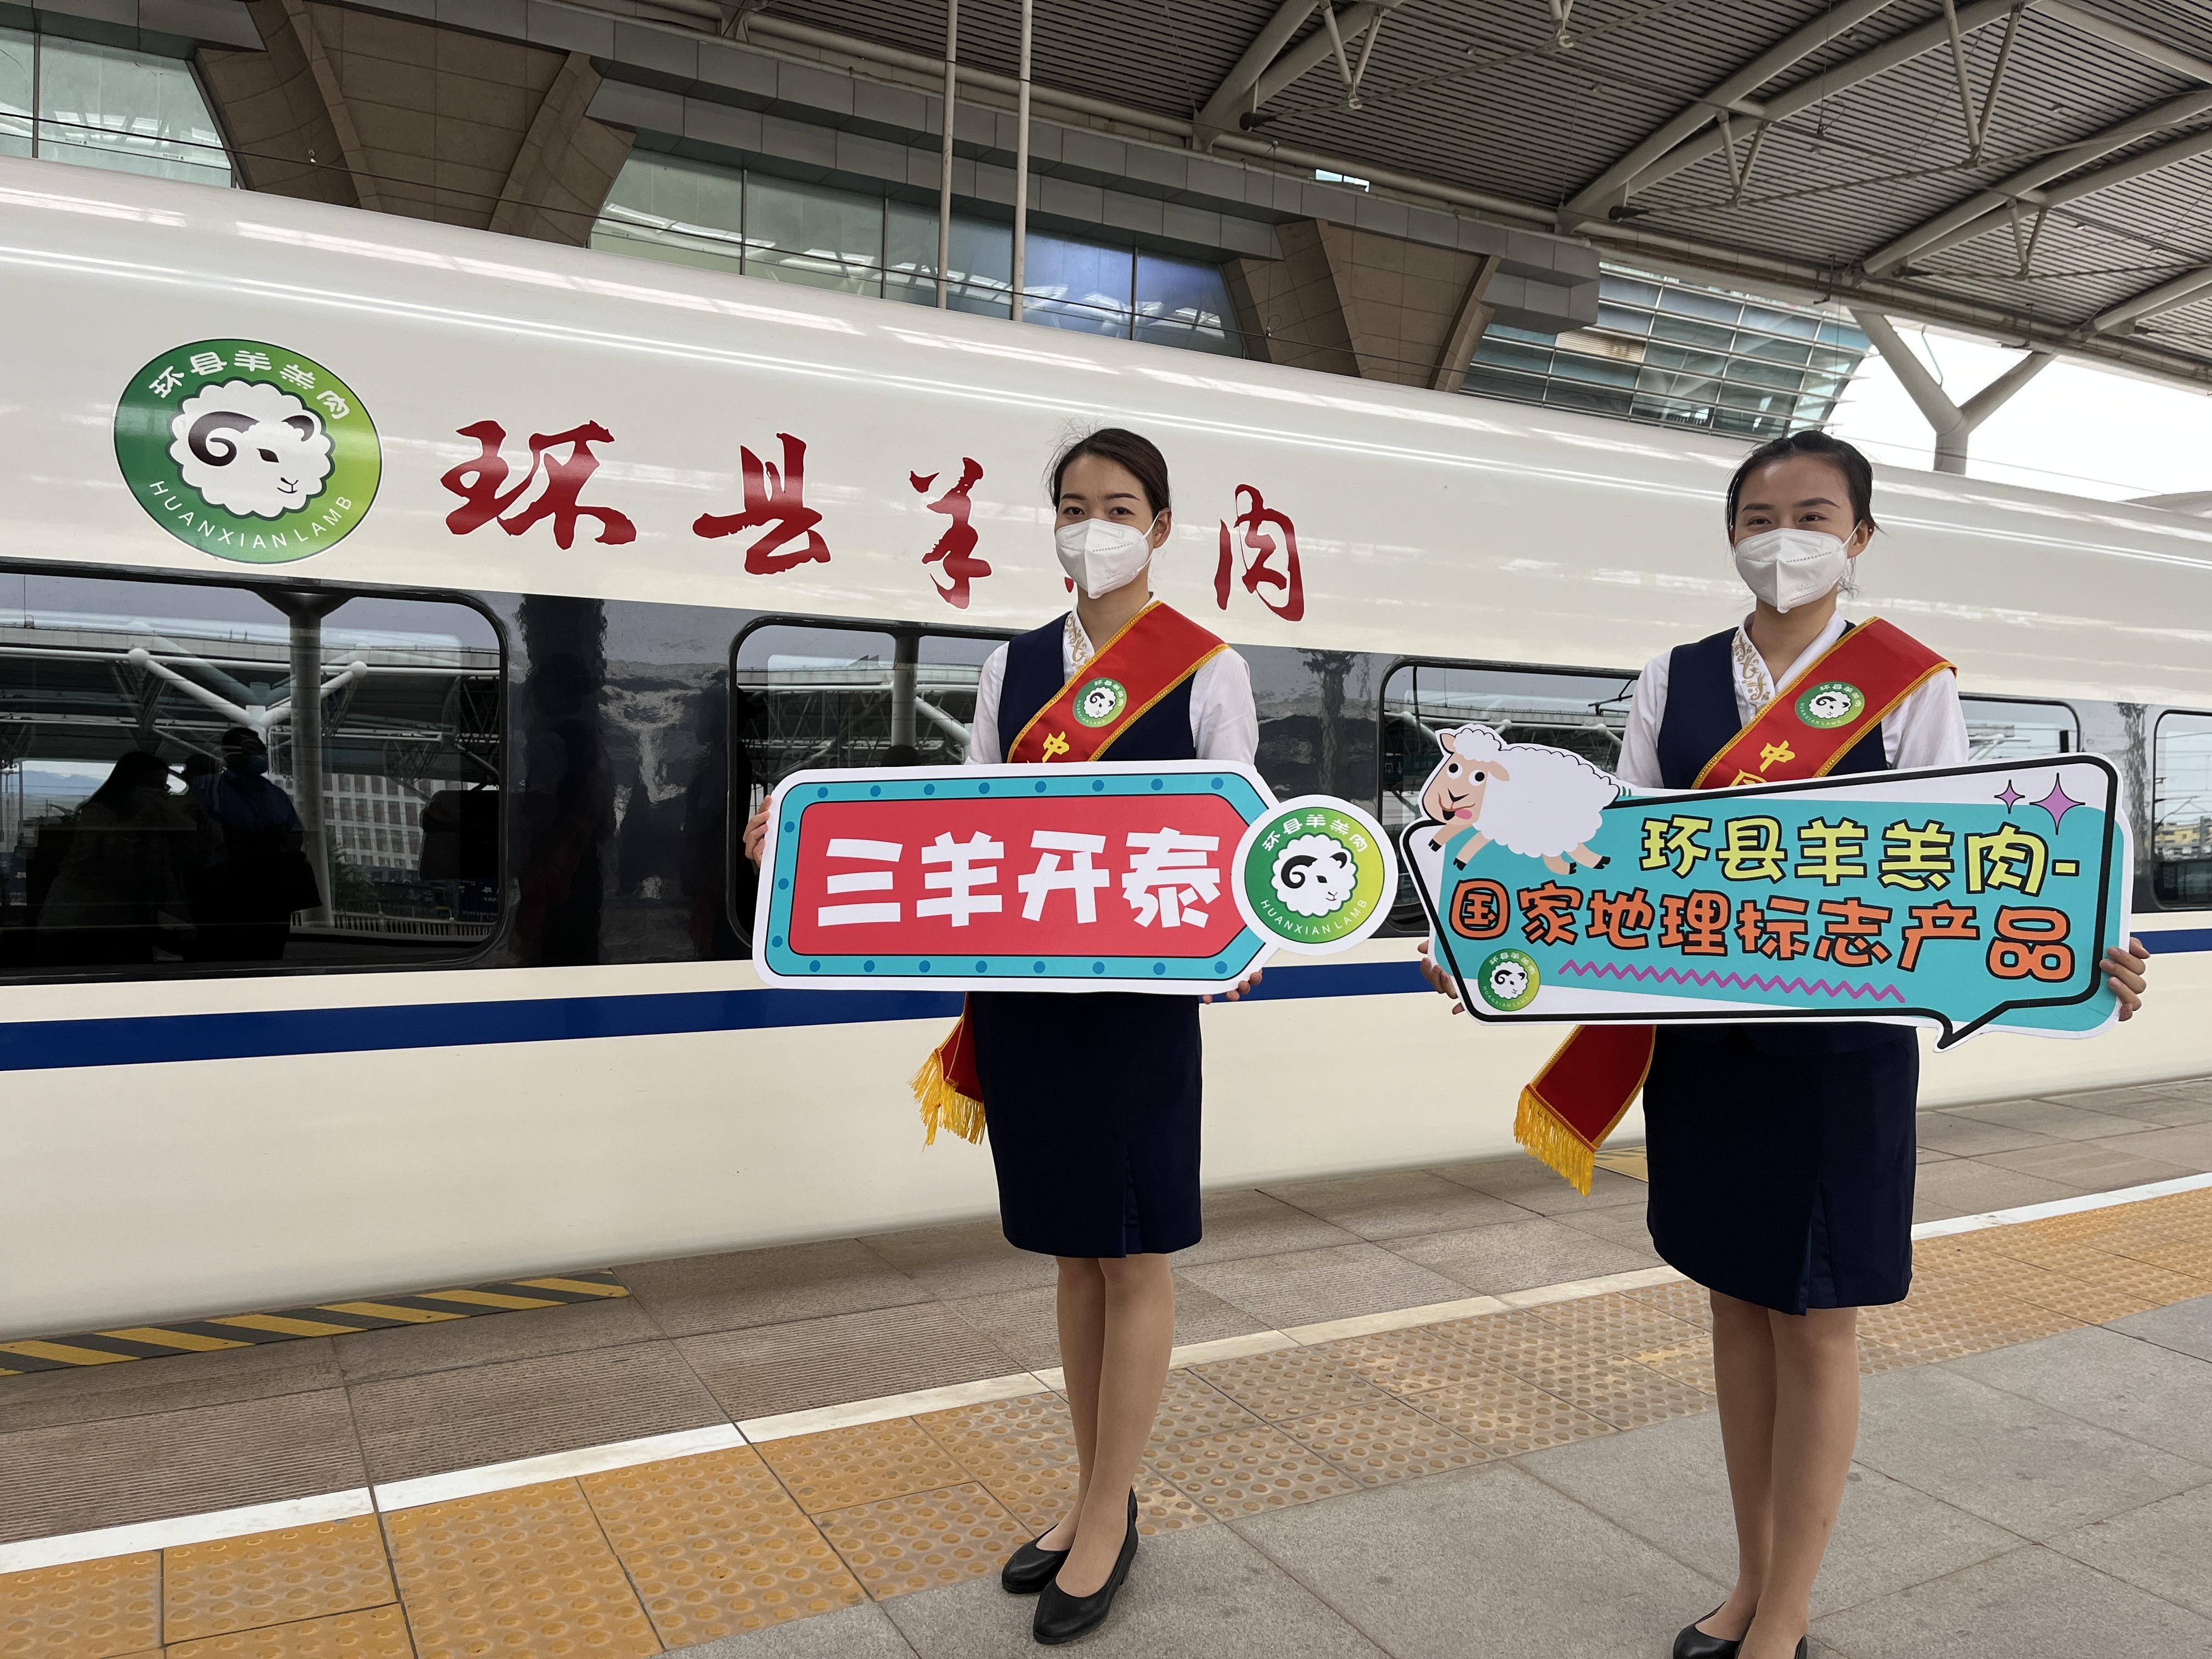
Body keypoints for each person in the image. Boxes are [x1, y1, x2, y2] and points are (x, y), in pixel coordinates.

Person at [1418, 430, 2150, 1659]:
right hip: (1706, 1051)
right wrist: (1485, 933)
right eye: (1760, 518)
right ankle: (1751, 1579)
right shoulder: (1673, 678)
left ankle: (1788, 1611)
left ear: (1859, 536)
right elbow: (1614, 857)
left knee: (1813, 1321)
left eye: (1814, 516)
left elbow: (1964, 865)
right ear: (1731, 536)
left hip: (1838, 1061)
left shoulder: (1908, 682)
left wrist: (2083, 950)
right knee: (1736, 1304)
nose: (1784, 540)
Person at [746, 427, 1259, 1645]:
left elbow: (1233, 834)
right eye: (1074, 505)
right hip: (1027, 1002)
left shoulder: (1208, 666)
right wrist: (811, 841)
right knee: (1074, 1254)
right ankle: (1091, 1493)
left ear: (1162, 527)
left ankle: (1109, 1513)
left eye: (1119, 506)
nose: (1095, 527)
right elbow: (968, 826)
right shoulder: (1011, 665)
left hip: (1135, 1011)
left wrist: (1242, 926)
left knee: (1132, 1254)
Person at [34, 749, 197, 964]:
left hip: (127, 919)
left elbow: (188, 834)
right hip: (82, 915)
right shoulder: (98, 815)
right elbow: (107, 862)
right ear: (128, 784)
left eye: (163, 786)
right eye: (151, 784)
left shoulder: (154, 822)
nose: (158, 793)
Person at [189, 726, 310, 961]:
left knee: (268, 956)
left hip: (271, 894)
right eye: (253, 748)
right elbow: (196, 837)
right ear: (230, 753)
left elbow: (296, 836)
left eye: (262, 749)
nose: (261, 754)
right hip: (223, 895)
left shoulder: (276, 795)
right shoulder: (208, 789)